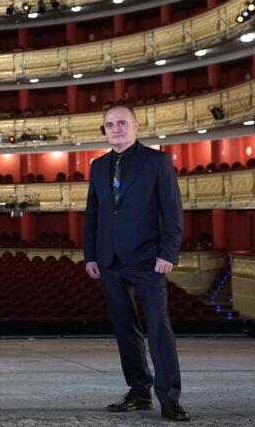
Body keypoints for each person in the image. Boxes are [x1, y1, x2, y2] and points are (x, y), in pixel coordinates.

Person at [83, 102, 189, 422]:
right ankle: (139, 391)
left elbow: (172, 212)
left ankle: (169, 397)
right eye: (110, 124)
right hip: (110, 259)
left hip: (147, 259)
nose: (115, 129)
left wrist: (168, 253)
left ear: (135, 126)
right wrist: (91, 254)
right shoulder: (98, 166)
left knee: (158, 327)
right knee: (125, 329)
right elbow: (94, 214)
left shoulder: (157, 161)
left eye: (121, 123)